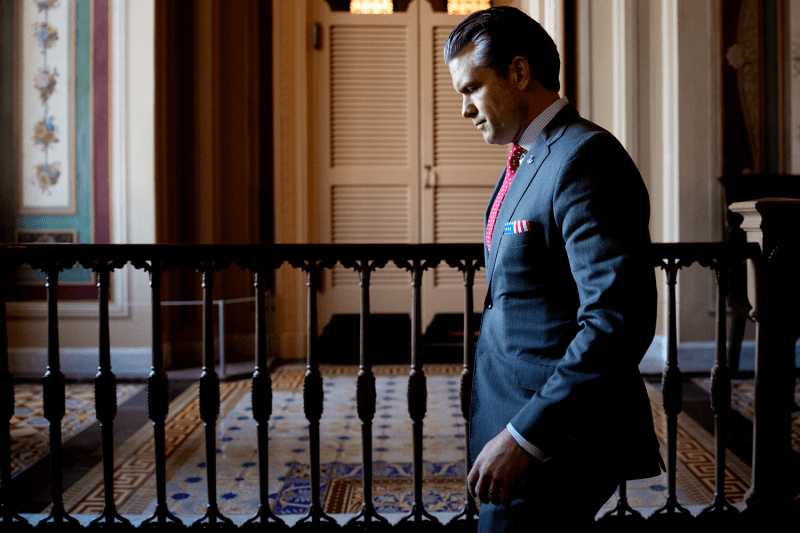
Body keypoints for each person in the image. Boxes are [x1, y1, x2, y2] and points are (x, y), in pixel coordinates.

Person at [444, 7, 664, 530]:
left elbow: (617, 320)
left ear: (519, 72)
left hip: (555, 440)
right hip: (514, 421)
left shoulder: (585, 158)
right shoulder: (529, 157)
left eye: (472, 88)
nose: (465, 110)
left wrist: (527, 438)